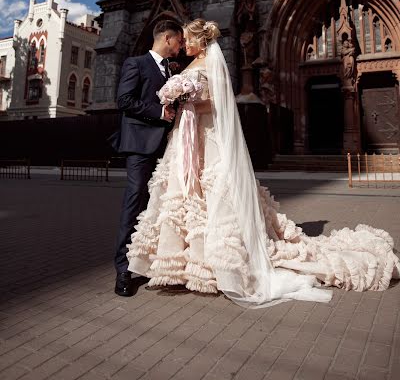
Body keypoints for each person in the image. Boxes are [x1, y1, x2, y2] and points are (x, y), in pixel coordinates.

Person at [126, 19, 400, 307]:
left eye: (187, 40)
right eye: (181, 40)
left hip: (206, 136)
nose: (184, 44)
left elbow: (217, 103)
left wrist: (185, 101)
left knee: (210, 195)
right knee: (184, 195)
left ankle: (211, 264)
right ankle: (182, 262)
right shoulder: (190, 66)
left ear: (200, 41)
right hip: (187, 135)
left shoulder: (209, 64)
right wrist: (181, 100)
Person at [113, 19, 184, 297]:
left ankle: (151, 258)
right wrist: (158, 113)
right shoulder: (136, 63)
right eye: (178, 41)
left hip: (166, 146)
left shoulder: (171, 69)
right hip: (140, 145)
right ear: (167, 38)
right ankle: (122, 268)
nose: (180, 47)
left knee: (160, 204)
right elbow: (124, 100)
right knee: (134, 201)